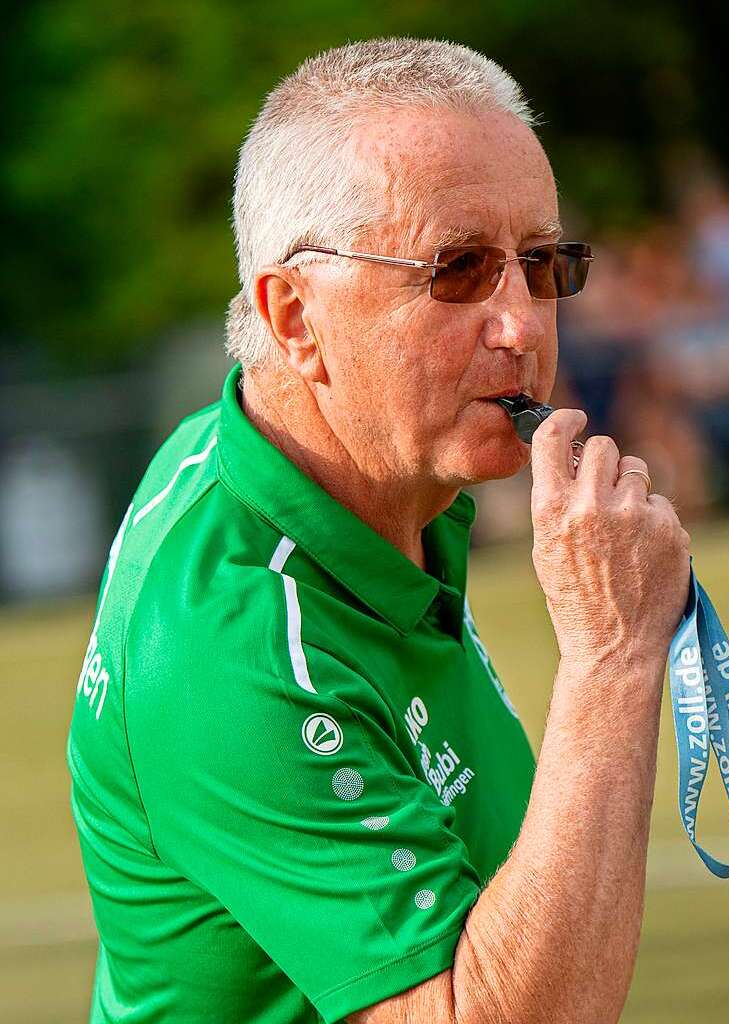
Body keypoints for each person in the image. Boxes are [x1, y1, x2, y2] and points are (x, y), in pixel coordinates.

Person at [67, 37, 691, 1024]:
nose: (520, 325)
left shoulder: (359, 472)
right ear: (295, 317)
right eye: (456, 269)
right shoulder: (233, 646)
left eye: (539, 262)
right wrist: (612, 655)